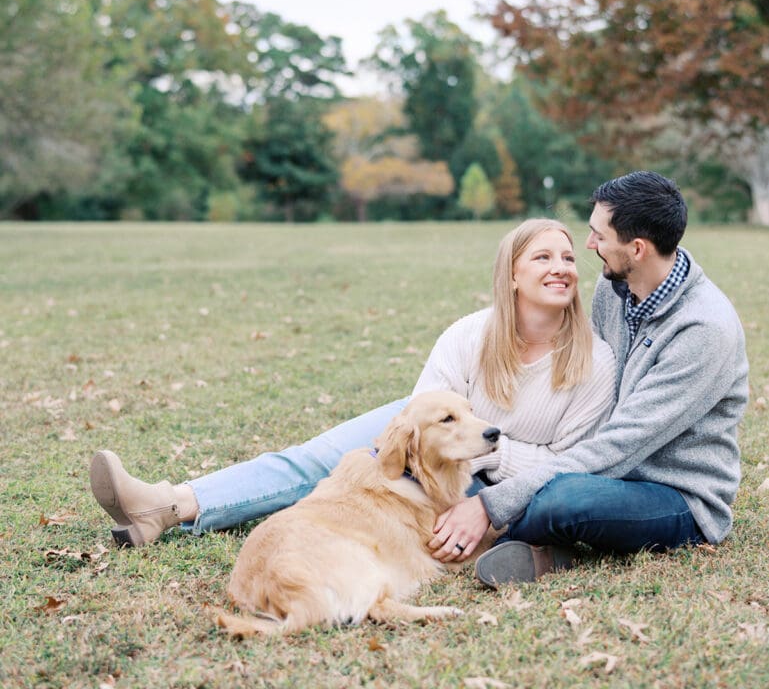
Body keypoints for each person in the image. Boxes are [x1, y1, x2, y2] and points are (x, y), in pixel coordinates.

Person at [89, 218, 616, 553]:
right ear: (513, 275)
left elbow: (571, 465)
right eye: (543, 258)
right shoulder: (469, 334)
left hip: (497, 489)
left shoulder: (595, 361)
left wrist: (491, 457)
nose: (562, 268)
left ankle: (522, 551)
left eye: (569, 258)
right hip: (429, 453)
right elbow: (421, 414)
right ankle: (168, 503)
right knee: (318, 462)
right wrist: (421, 451)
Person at [434, 171, 749, 588]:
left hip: (675, 494)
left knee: (563, 501)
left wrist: (490, 506)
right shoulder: (614, 286)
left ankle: (499, 537)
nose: (588, 246)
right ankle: (539, 544)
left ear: (636, 249)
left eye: (599, 235)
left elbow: (621, 446)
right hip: (606, 467)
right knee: (519, 483)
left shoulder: (704, 330)